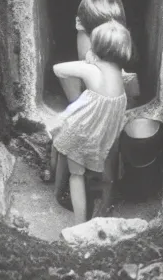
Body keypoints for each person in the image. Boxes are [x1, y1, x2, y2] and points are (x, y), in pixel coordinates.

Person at [49, 20, 132, 224]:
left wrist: (87, 62)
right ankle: (95, 201)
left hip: (82, 131)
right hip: (101, 134)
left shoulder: (92, 70)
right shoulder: (120, 73)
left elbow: (58, 69)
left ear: (96, 48)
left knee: (75, 175)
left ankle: (79, 224)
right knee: (67, 148)